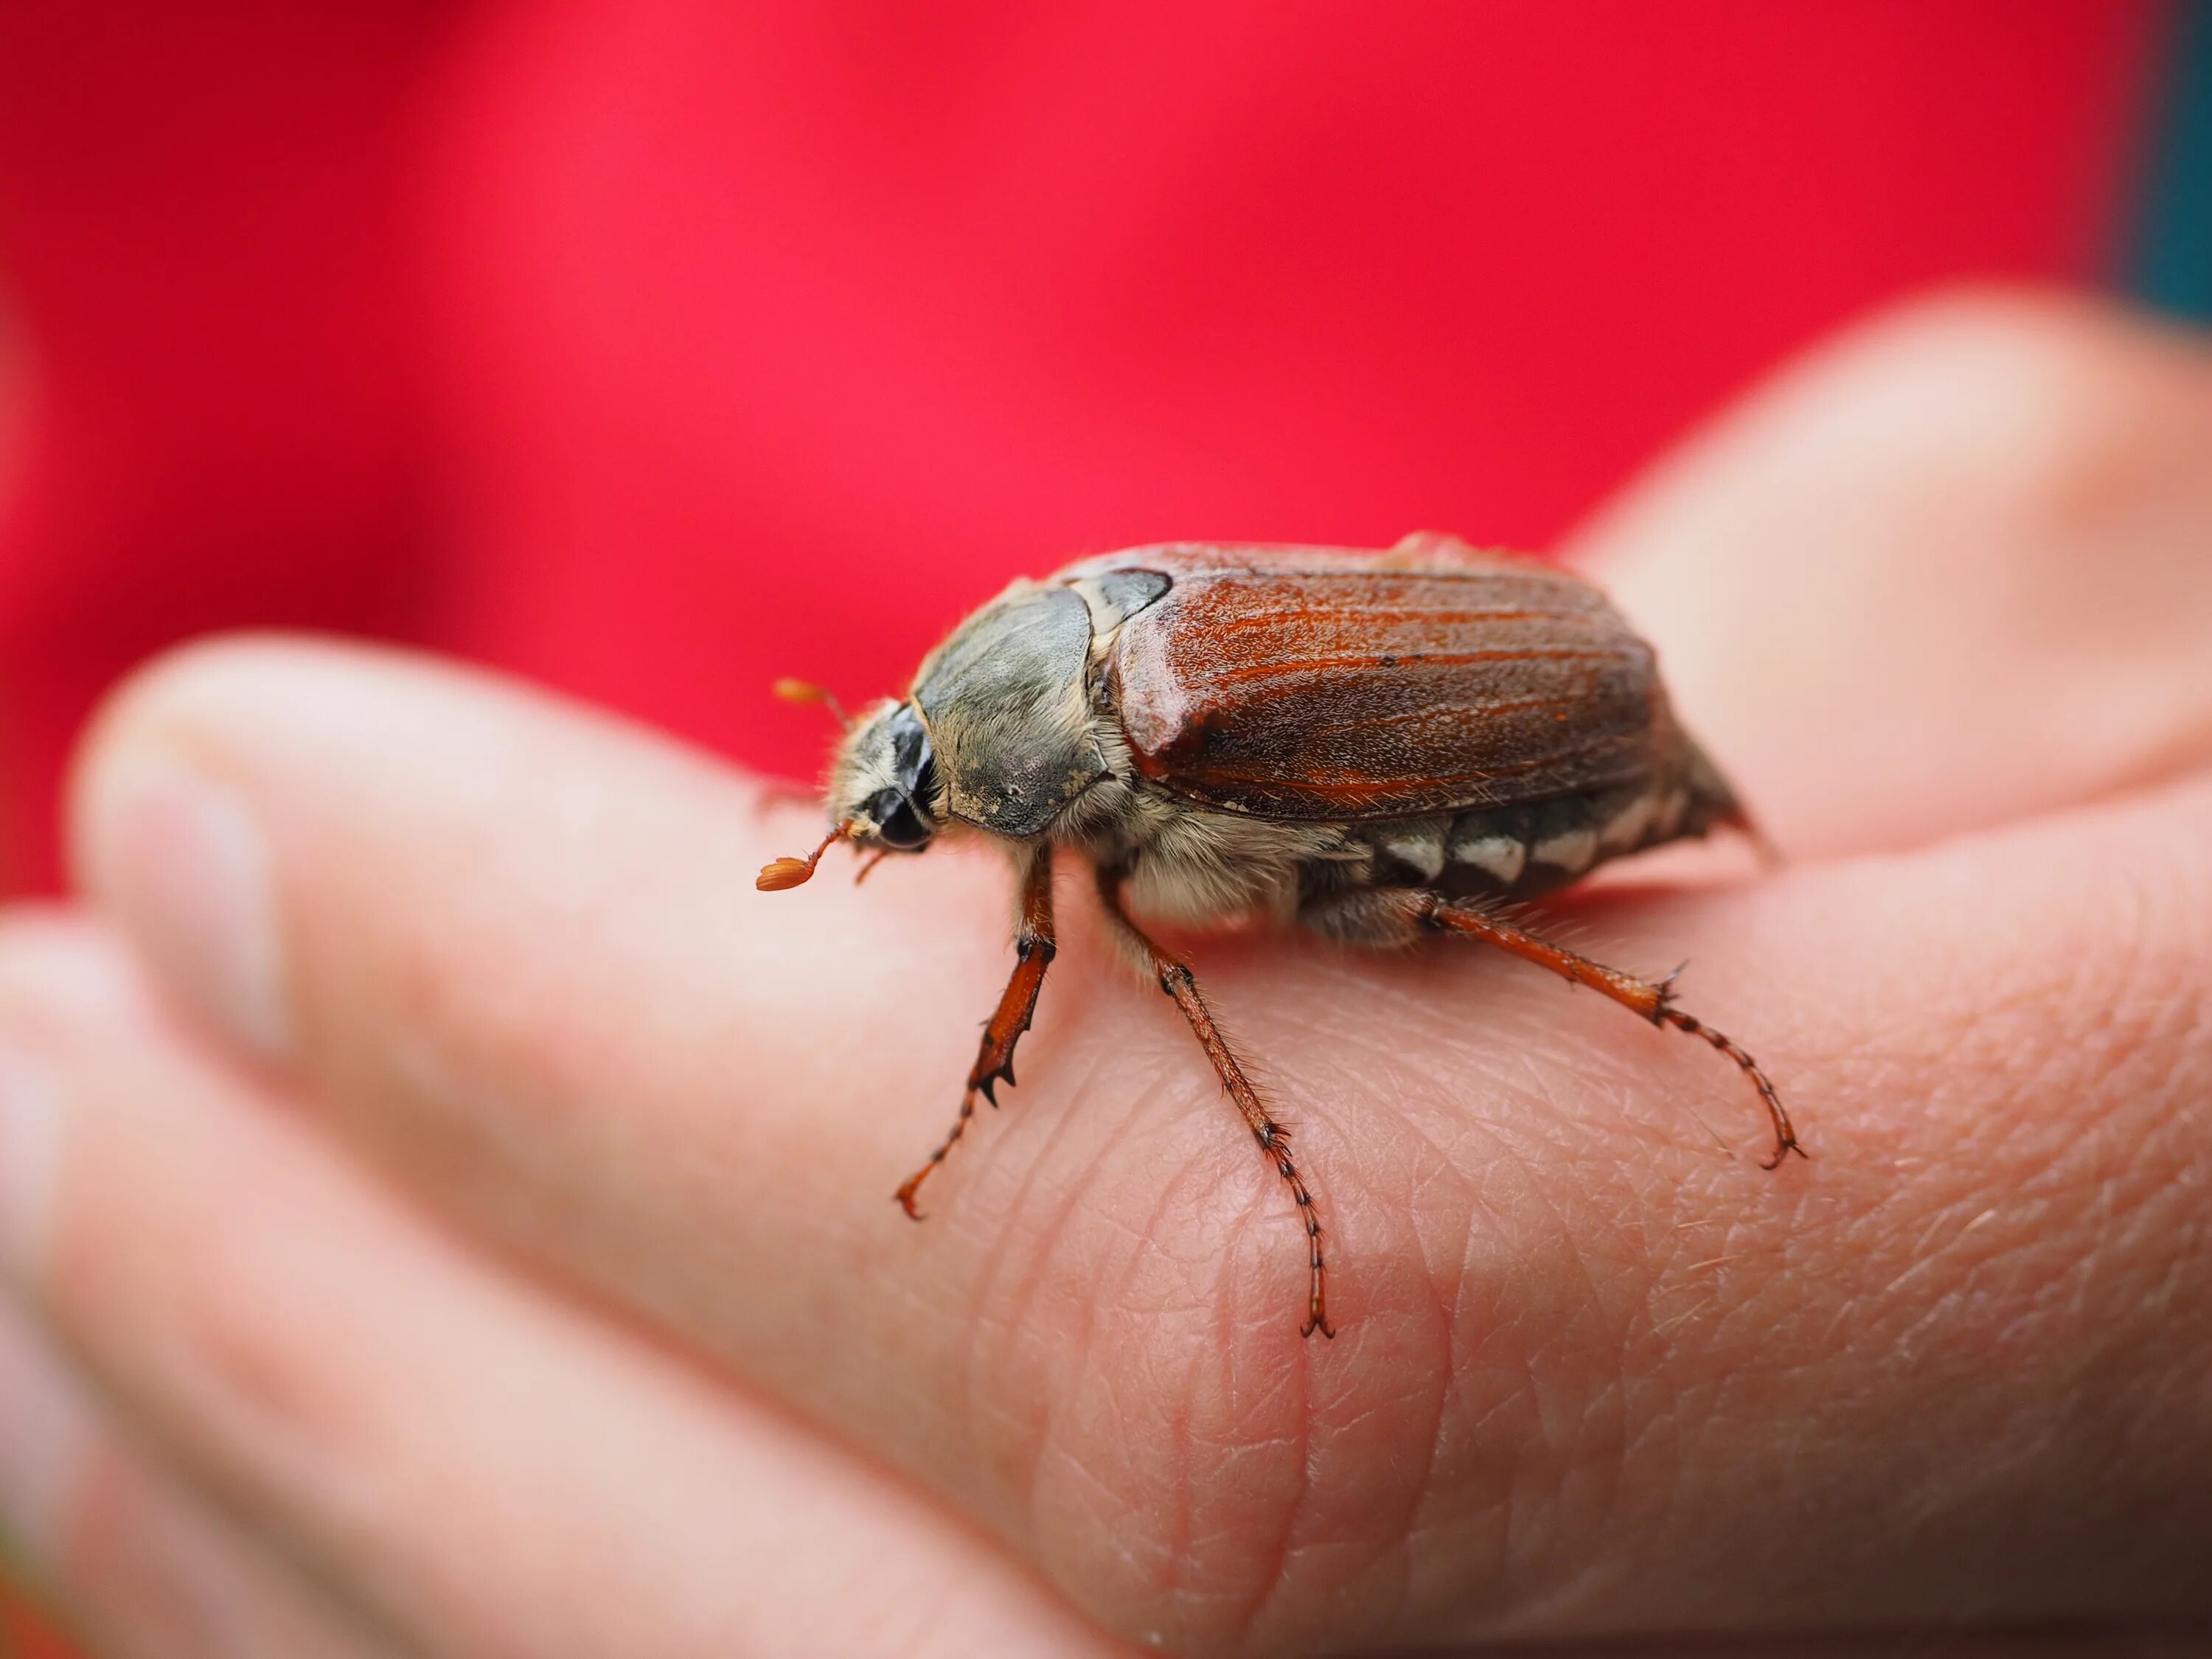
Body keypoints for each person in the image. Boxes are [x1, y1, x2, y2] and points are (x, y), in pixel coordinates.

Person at [0, 286, 2208, 1658]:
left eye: (921, 796)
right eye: (902, 791)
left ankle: (1659, 1013)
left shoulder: (1133, 792)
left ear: (1040, 755)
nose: (912, 820)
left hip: (1555, 748)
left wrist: (1046, 1131)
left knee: (1411, 912)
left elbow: (1096, 965)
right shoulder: (1040, 698)